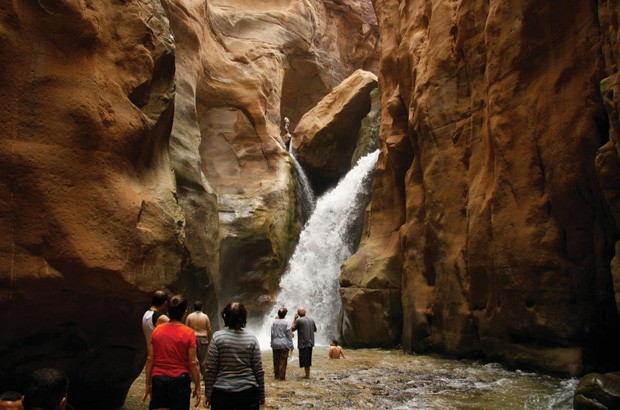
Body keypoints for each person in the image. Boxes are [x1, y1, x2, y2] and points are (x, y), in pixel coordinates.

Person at [142, 294, 201, 409]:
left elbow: (150, 359)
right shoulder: (188, 333)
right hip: (180, 381)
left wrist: (148, 384)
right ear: (185, 313)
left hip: (159, 379)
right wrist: (197, 387)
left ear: (168, 311)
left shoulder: (157, 331)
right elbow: (193, 363)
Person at [204, 302, 265, 409]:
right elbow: (258, 370)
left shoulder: (217, 337)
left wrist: (208, 394)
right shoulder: (252, 338)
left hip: (222, 394)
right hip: (248, 393)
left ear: (225, 316)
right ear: (244, 317)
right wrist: (262, 394)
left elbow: (211, 369)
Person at [185, 300, 212, 375]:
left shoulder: (189, 316)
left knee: (193, 359)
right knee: (203, 359)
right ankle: (203, 377)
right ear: (201, 307)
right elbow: (209, 329)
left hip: (192, 338)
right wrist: (209, 341)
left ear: (194, 307)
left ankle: (195, 377)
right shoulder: (205, 316)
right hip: (203, 339)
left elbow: (186, 329)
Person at [292, 307, 317, 379]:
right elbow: (315, 330)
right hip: (311, 342)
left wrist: (294, 319)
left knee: (306, 361)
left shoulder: (299, 320)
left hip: (304, 343)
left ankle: (307, 375)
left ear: (298, 314)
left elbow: (291, 329)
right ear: (305, 312)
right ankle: (307, 374)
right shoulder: (311, 319)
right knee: (308, 359)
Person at [270, 307, 293, 380]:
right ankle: (282, 378)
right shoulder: (287, 322)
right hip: (284, 344)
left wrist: (272, 342)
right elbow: (289, 335)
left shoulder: (274, 322)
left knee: (276, 361)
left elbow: (272, 333)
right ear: (285, 314)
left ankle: (276, 376)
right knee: (283, 361)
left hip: (275, 344)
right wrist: (291, 345)